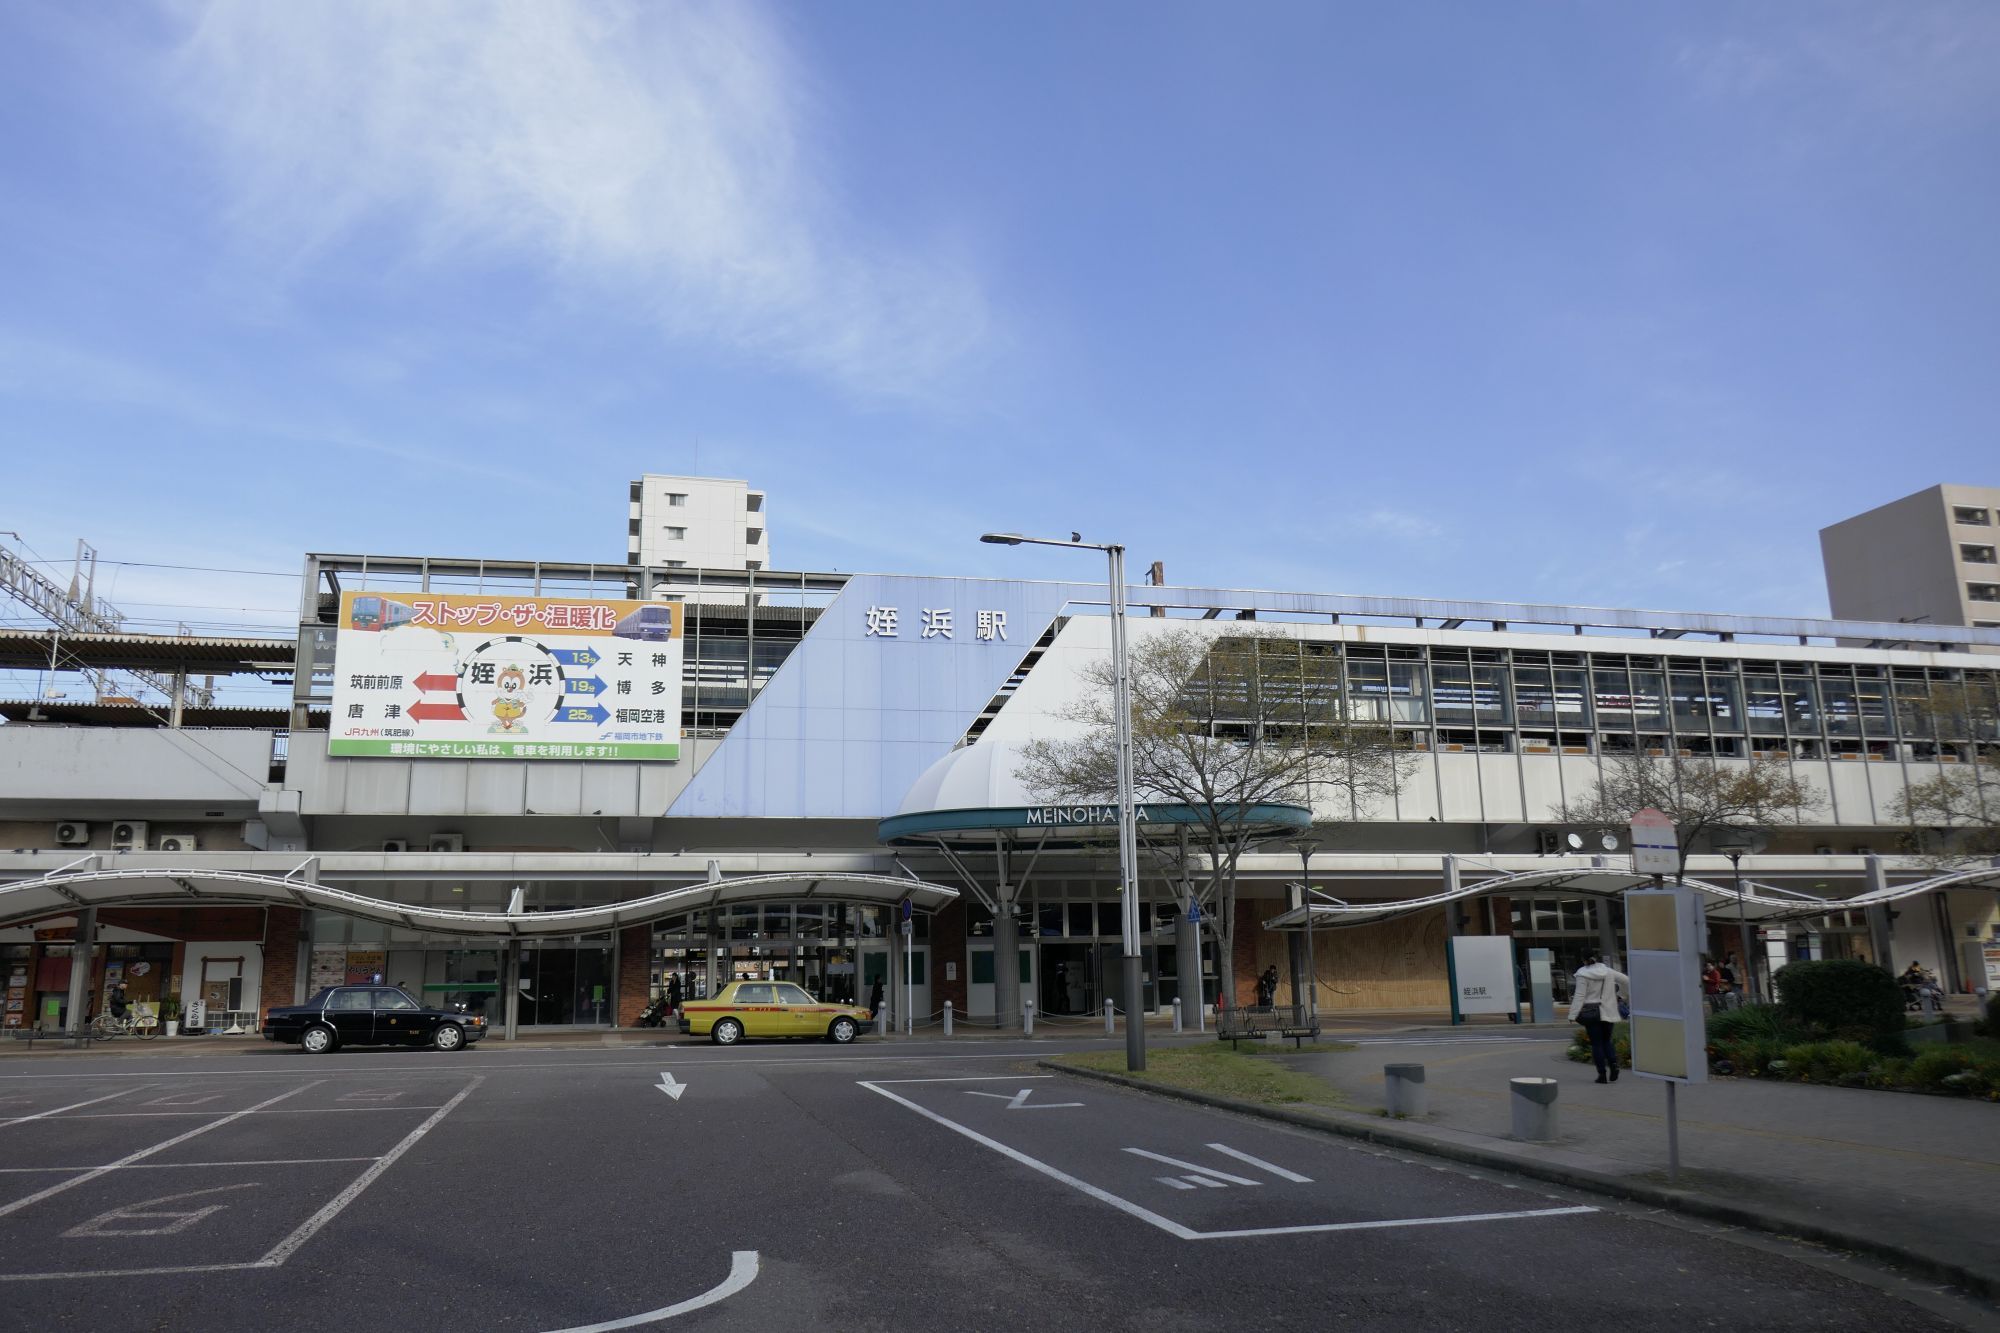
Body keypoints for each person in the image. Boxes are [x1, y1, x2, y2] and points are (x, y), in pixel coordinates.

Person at [1567, 953, 1630, 1084]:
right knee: (1607, 1040)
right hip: (1608, 1010)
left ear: (1584, 960)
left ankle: (1602, 1075)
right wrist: (1621, 995)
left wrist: (1572, 1014)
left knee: (1597, 1043)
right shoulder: (1608, 971)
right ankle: (1614, 1065)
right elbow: (1626, 980)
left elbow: (1579, 995)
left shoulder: (1582, 974)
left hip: (1591, 1012)